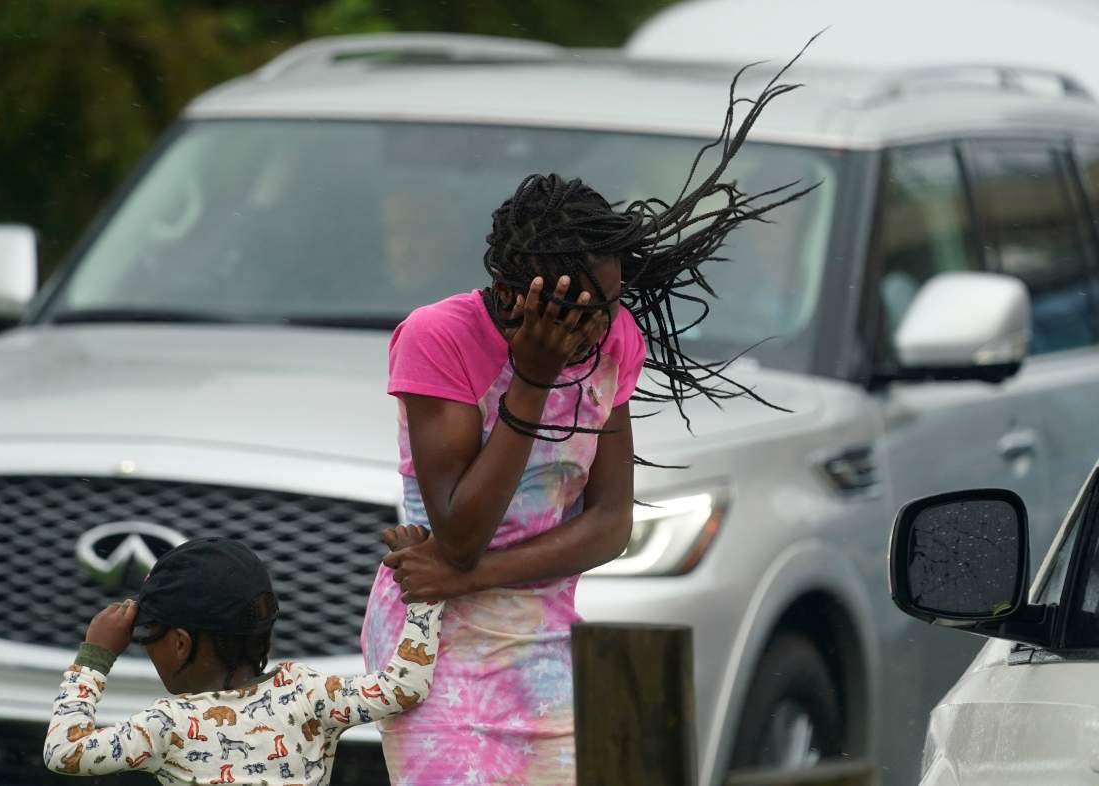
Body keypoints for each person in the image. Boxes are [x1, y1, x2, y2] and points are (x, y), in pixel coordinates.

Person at [361, 48, 818, 786]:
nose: (605, 326)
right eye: (586, 307)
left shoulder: (615, 342)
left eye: (612, 303)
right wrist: (532, 383)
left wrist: (470, 578)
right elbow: (461, 532)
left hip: (540, 646)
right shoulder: (438, 338)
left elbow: (609, 523)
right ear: (517, 291)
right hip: (433, 652)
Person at [43, 531, 441, 786]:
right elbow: (405, 686)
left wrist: (94, 659)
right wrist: (424, 591)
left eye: (148, 636)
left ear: (180, 643)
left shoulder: (167, 725)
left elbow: (62, 753)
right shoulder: (307, 693)